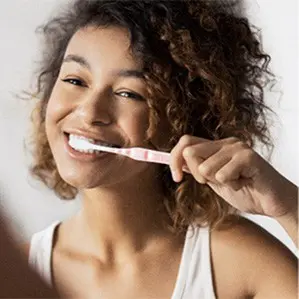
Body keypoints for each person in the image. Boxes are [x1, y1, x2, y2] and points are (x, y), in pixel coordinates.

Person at [10, 0, 298, 298]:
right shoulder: (13, 275)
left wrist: (290, 206)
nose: (90, 112)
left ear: (181, 119)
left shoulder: (238, 264)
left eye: (129, 93)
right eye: (74, 80)